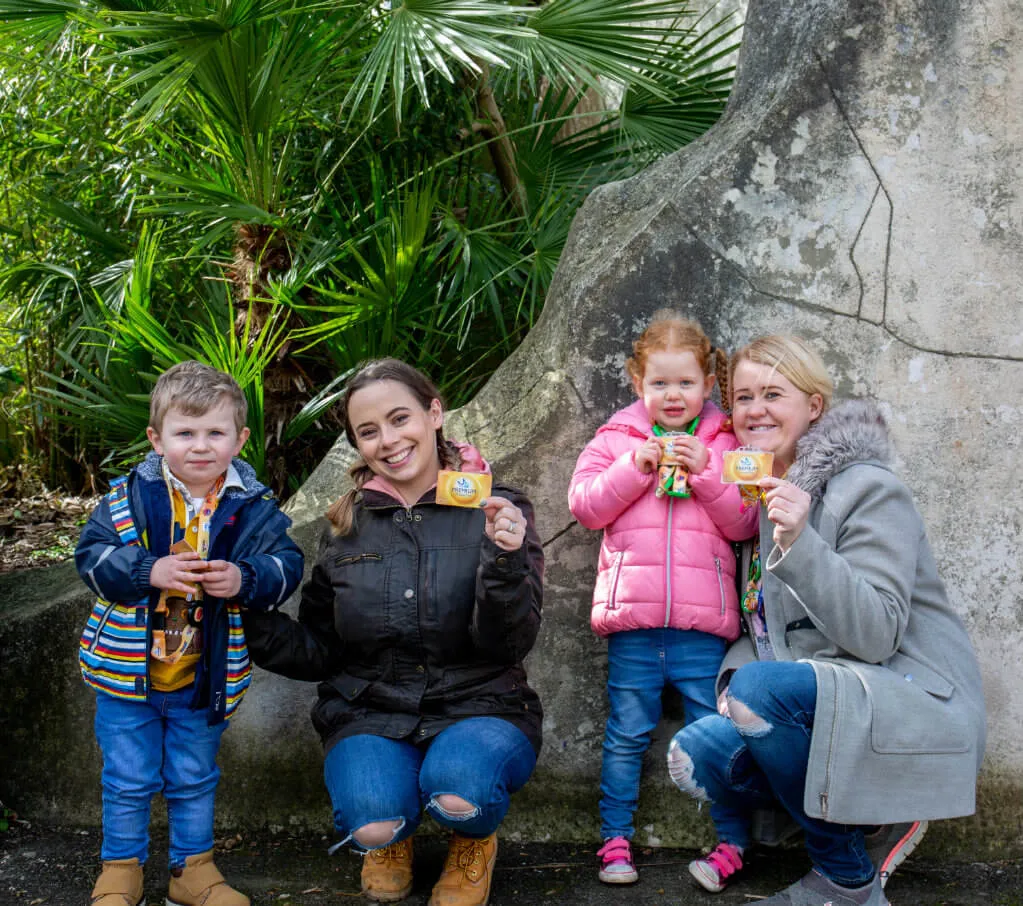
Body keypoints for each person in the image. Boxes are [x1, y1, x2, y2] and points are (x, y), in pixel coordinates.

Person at [666, 335, 987, 906]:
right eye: (742, 398)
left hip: (907, 699)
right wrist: (730, 689)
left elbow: (876, 632)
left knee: (757, 693)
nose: (754, 410)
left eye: (773, 394)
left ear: (814, 406)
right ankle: (867, 826)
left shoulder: (869, 488)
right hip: (824, 701)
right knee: (699, 751)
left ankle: (844, 878)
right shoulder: (761, 499)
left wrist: (801, 543)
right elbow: (760, 628)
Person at [241, 358, 544, 906]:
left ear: (434, 413)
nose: (388, 440)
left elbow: (509, 644)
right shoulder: (349, 523)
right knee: (372, 824)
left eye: (400, 418)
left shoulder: (497, 506)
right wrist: (241, 612)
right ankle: (392, 837)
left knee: (461, 795)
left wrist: (505, 561)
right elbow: (320, 650)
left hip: (482, 704)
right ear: (356, 443)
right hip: (371, 710)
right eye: (368, 431)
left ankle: (472, 841)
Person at [75, 360, 305, 906]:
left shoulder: (253, 507)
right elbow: (90, 557)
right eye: (184, 432)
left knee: (194, 776)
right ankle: (121, 868)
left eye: (215, 433)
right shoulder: (127, 497)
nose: (200, 446)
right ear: (158, 439)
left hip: (204, 676)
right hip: (127, 676)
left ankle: (192, 869)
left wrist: (244, 578)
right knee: (128, 777)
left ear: (240, 438)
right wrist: (145, 571)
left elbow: (287, 563)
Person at [567, 312, 760, 891]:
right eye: (659, 383)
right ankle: (614, 839)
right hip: (635, 626)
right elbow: (586, 507)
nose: (672, 396)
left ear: (707, 385)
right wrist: (635, 467)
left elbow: (745, 522)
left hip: (705, 630)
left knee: (714, 735)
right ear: (637, 384)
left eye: (685, 383)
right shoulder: (615, 441)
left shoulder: (727, 444)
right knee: (627, 732)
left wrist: (707, 475)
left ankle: (731, 843)